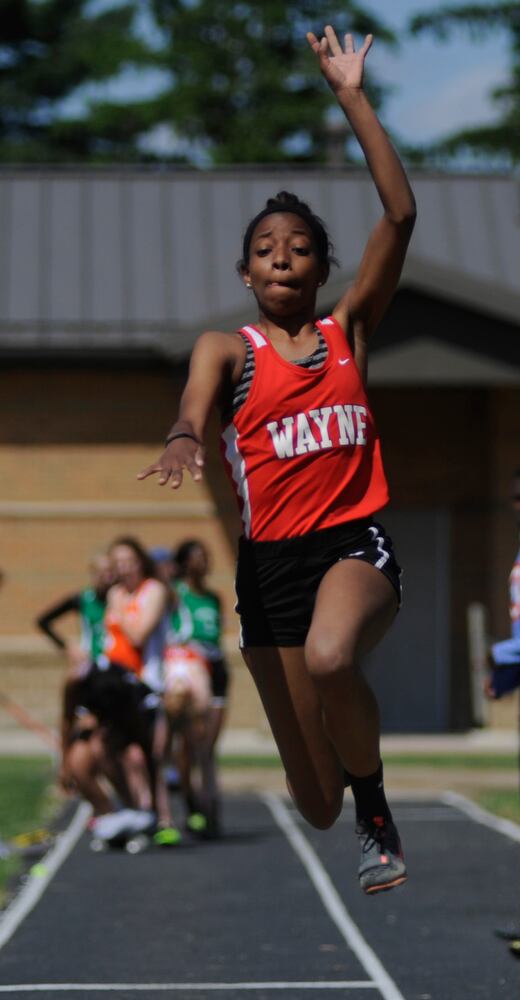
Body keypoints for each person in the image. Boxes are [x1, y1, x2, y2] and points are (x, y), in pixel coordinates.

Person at [139, 25, 416, 893]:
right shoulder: (227, 349)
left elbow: (400, 214)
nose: (284, 257)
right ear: (247, 273)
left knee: (335, 659)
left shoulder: (349, 334)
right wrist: (188, 433)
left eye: (299, 246)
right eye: (267, 250)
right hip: (268, 575)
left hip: (350, 544)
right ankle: (349, 796)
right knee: (313, 800)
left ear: (322, 263)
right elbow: (195, 400)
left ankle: (379, 809)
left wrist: (351, 96)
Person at [169, 539, 230, 835]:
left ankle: (211, 811)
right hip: (188, 670)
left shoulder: (215, 598)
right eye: (197, 557)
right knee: (186, 747)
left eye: (206, 556)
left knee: (207, 746)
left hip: (215, 669)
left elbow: (218, 632)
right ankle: (192, 805)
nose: (204, 562)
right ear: (184, 563)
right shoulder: (175, 594)